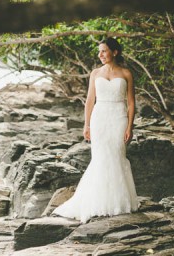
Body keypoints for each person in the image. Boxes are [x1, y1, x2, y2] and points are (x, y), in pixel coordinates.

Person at [53, 37, 139, 223]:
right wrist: (87, 125)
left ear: (114, 52)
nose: (100, 55)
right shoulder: (95, 73)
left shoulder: (126, 73)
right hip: (99, 118)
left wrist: (129, 126)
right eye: (99, 51)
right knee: (100, 159)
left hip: (118, 117)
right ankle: (99, 202)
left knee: (116, 156)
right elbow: (90, 100)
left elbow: (131, 103)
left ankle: (118, 203)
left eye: (104, 51)